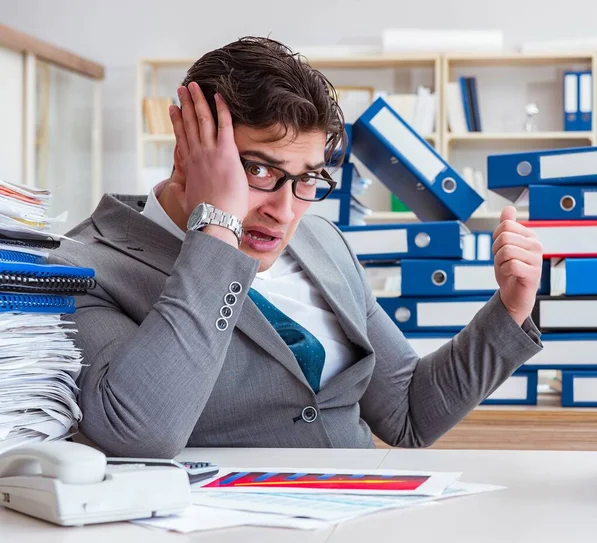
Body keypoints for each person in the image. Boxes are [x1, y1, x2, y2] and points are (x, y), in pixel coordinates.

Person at [52, 36, 543, 458]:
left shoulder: (322, 241)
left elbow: (408, 414)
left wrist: (511, 309)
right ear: (187, 152)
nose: (284, 211)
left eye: (307, 177)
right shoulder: (80, 267)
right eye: (259, 170)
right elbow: (140, 433)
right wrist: (217, 228)